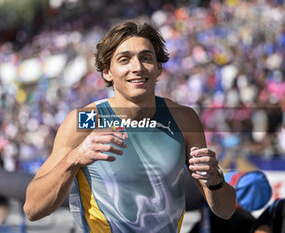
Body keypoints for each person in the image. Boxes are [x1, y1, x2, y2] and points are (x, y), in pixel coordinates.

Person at [23, 20, 236, 232]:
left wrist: (215, 180)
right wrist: (74, 158)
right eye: (124, 60)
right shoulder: (86, 120)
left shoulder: (183, 119)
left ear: (158, 67)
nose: (137, 67)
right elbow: (33, 209)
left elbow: (226, 211)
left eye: (146, 58)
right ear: (107, 71)